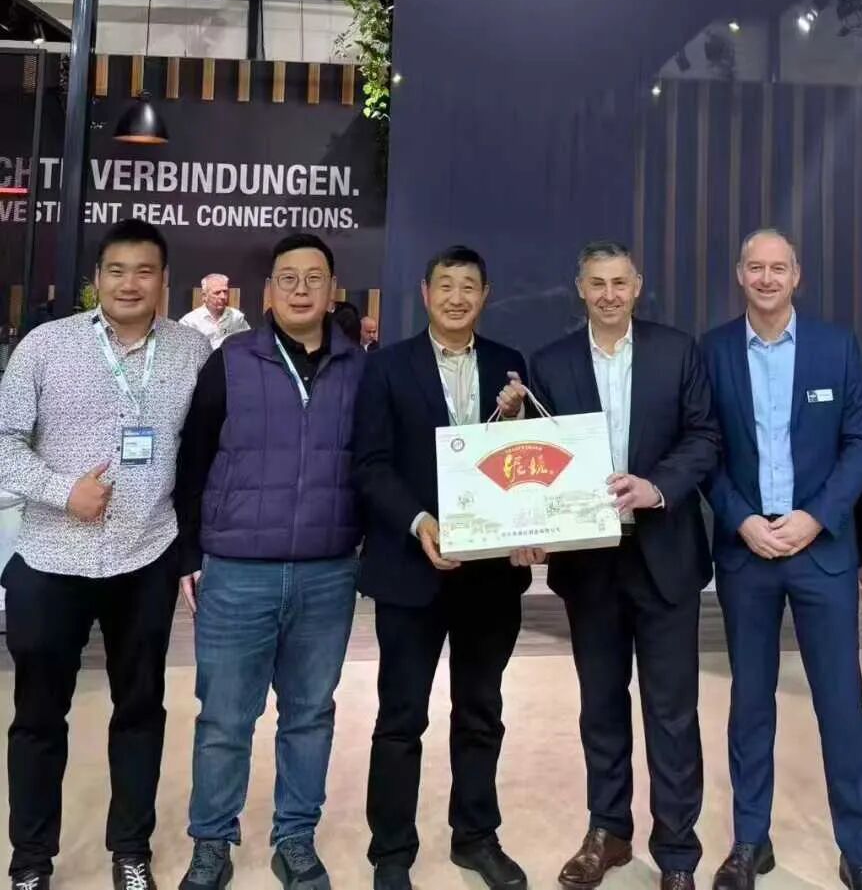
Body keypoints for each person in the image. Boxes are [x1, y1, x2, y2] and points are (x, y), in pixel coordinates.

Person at [0, 219, 210, 890]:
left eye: (144, 271)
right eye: (117, 270)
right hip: (50, 559)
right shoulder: (45, 346)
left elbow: (207, 450)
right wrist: (63, 490)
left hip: (145, 557)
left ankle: (131, 850)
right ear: (97, 278)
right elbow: (3, 442)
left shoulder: (191, 351)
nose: (129, 283)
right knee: (38, 718)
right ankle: (31, 861)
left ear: (164, 281)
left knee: (141, 711)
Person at [519, 241, 718, 890]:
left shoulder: (676, 351)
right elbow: (539, 456)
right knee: (600, 705)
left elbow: (704, 437)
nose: (608, 294)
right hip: (590, 563)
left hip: (665, 553)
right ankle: (608, 830)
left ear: (637, 287)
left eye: (619, 282)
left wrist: (657, 486)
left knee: (673, 711)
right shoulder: (549, 363)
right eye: (596, 283)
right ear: (580, 288)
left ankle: (678, 850)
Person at [174, 234, 366, 890]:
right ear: (268, 291)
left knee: (309, 715)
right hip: (237, 570)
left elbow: (376, 462)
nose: (301, 289)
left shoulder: (360, 368)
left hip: (327, 571)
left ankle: (295, 839)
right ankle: (211, 842)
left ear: (332, 290)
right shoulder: (230, 361)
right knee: (225, 719)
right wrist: (189, 551)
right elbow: (193, 459)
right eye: (289, 277)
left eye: (315, 277)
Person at [701, 228, 862, 890]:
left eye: (779, 267)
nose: (767, 278)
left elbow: (861, 443)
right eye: (756, 267)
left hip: (821, 553)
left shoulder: (836, 348)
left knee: (841, 704)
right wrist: (742, 519)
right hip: (747, 552)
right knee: (750, 702)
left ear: (797, 275)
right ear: (739, 274)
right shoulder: (714, 350)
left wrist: (816, 517)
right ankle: (750, 842)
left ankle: (857, 849)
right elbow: (704, 448)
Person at [354, 246, 534, 890]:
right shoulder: (387, 367)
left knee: (481, 709)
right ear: (425, 293)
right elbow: (371, 464)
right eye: (446, 286)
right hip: (411, 568)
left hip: (489, 576)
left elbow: (522, 460)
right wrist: (418, 521)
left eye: (469, 287)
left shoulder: (509, 365)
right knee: (401, 717)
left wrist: (518, 426)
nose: (457, 298)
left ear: (485, 295)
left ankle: (476, 836)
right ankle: (391, 852)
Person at [180, 274, 250, 351]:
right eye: (217, 293)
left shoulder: (236, 317)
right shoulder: (189, 322)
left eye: (225, 292)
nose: (223, 297)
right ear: (204, 296)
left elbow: (248, 341)